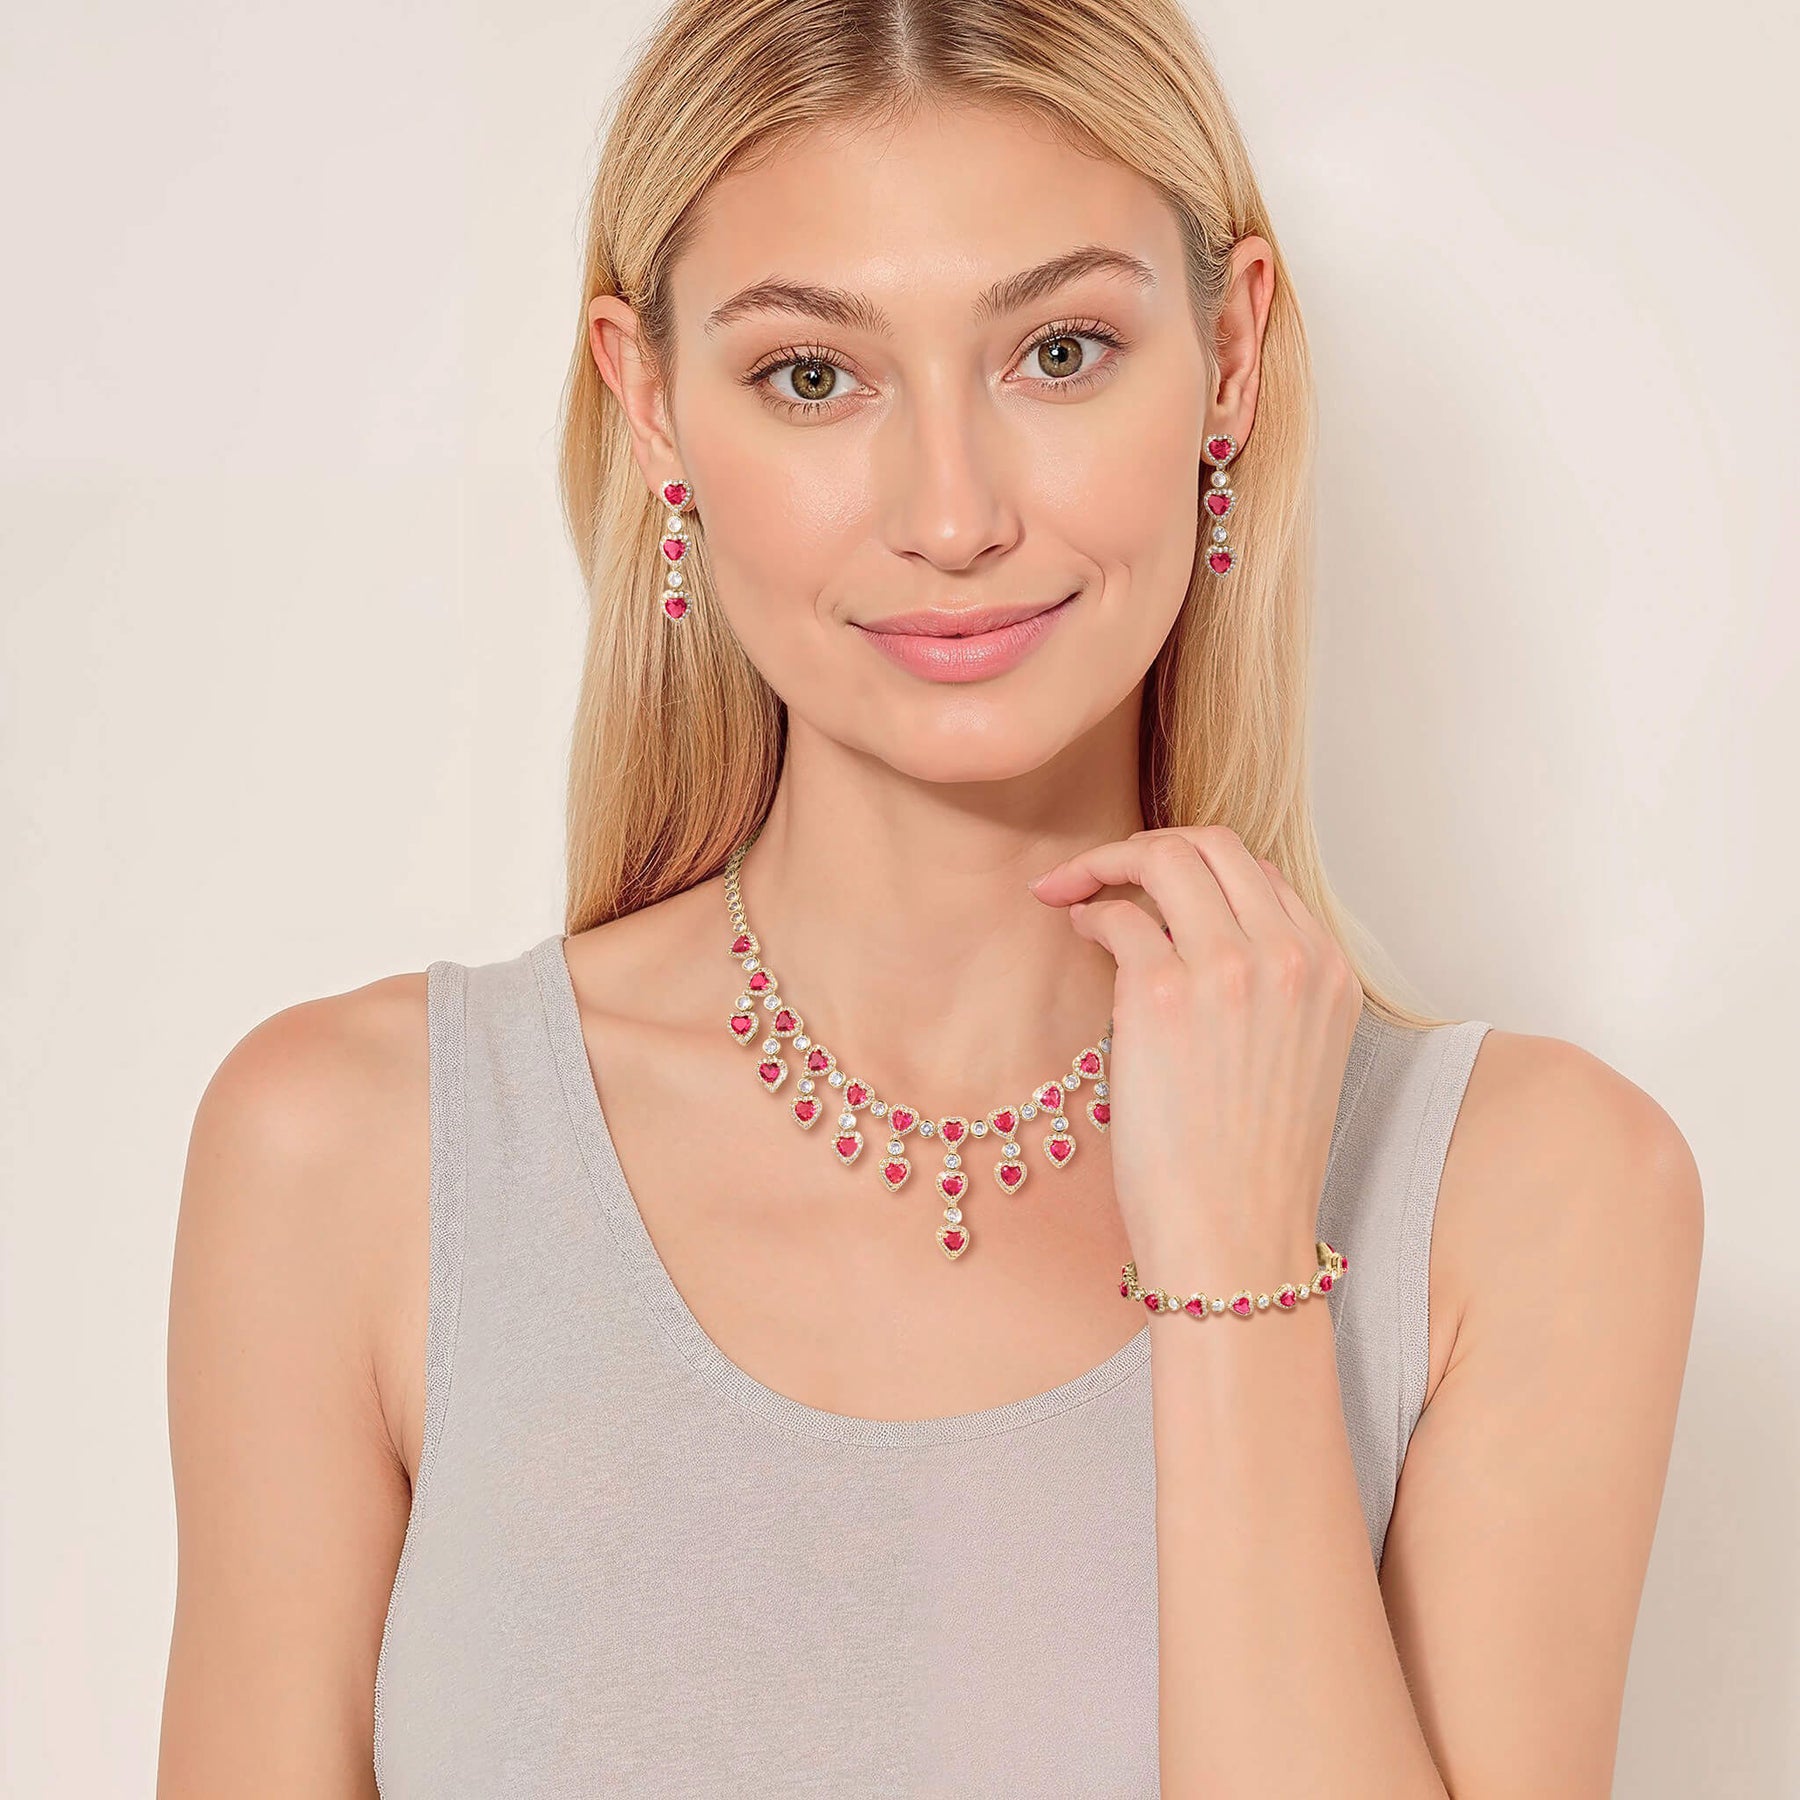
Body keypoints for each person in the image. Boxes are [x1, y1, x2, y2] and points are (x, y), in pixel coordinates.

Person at [156, 1, 1704, 1793]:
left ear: (1232, 355)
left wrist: (1240, 1281)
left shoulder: (1532, 1200)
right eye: (814, 377)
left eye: (1059, 351)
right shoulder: (358, 1163)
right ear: (651, 407)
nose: (953, 515)